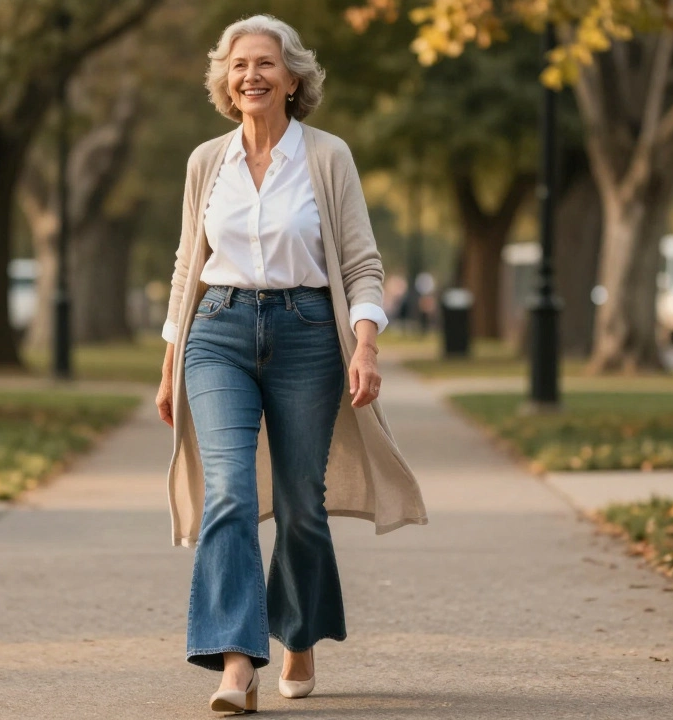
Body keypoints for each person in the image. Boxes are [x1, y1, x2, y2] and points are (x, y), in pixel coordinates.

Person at [155, 15, 427, 715]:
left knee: (304, 504)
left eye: (266, 64)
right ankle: (238, 663)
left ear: (294, 77)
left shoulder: (328, 157)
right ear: (225, 80)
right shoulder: (204, 162)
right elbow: (189, 264)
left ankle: (298, 631)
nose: (252, 75)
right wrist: (169, 360)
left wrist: (364, 344)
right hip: (215, 331)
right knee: (230, 494)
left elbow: (363, 263)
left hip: (308, 332)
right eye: (239, 65)